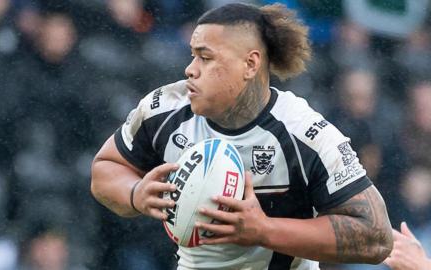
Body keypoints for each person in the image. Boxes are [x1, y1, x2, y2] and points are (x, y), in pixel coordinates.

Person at [91, 3, 393, 269]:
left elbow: (376, 236)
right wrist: (134, 193)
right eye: (192, 56)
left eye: (205, 58)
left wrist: (265, 230)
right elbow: (105, 169)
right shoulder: (164, 110)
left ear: (250, 64)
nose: (189, 70)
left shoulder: (304, 134)